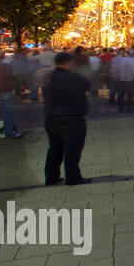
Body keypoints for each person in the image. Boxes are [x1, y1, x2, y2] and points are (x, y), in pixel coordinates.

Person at [42, 51, 91, 185]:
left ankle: (51, 177)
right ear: (69, 62)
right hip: (72, 116)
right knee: (73, 149)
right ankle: (73, 176)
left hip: (51, 117)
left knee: (54, 148)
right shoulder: (74, 77)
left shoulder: (48, 77)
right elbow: (88, 86)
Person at [0, 51, 21, 138]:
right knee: (7, 112)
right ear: (3, 57)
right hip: (4, 90)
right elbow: (12, 77)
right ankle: (10, 132)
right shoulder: (6, 66)